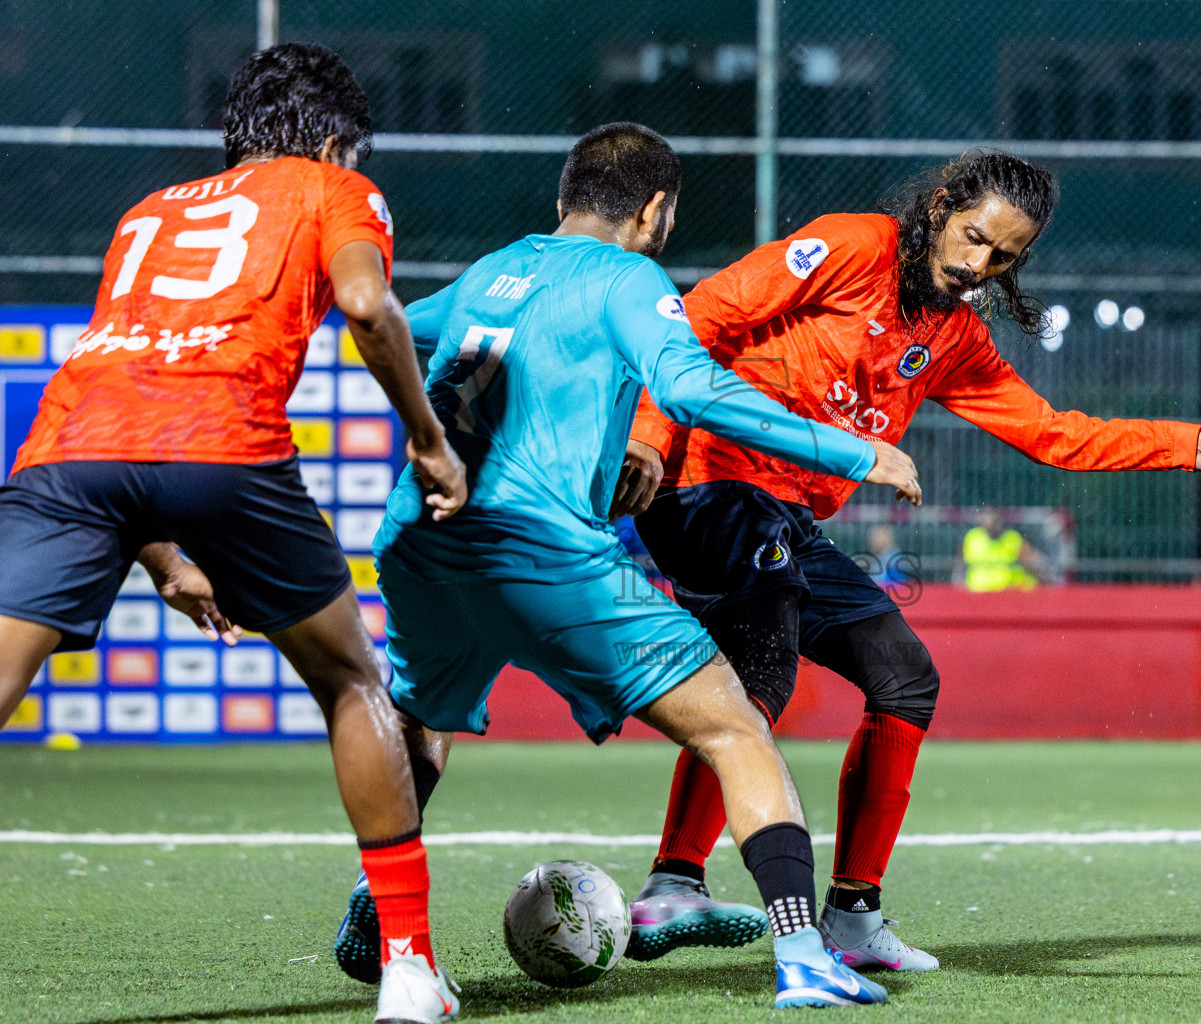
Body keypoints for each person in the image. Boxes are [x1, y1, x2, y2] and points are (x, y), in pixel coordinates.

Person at [615, 149, 1201, 973]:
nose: (978, 265)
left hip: (787, 515)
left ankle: (853, 916)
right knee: (762, 666)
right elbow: (697, 319)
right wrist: (646, 438)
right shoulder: (852, 246)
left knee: (905, 677)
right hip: (706, 479)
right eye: (973, 237)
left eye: (1004, 256)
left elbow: (1051, 433)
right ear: (940, 208)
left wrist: (1185, 443)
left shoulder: (955, 337)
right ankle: (675, 882)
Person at [330, 122, 923, 1009]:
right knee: (735, 729)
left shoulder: (493, 270)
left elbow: (389, 325)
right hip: (542, 550)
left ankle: (378, 907)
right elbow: (691, 388)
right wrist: (850, 451)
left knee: (421, 721)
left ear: (562, 197)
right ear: (655, 211)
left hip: (419, 541)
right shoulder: (627, 278)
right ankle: (805, 954)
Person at [0, 45, 468, 1024]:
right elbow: (366, 304)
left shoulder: (150, 211)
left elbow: (133, 391)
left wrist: (164, 559)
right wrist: (429, 441)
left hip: (69, 447)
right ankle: (409, 968)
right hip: (224, 442)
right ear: (334, 139)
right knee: (351, 680)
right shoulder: (336, 187)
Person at [961, 507, 1040, 592]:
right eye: (985, 515)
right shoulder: (972, 538)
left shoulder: (1012, 538)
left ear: (999, 517)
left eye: (992, 514)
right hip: (978, 593)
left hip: (1008, 592)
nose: (989, 519)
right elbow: (960, 568)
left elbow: (1033, 565)